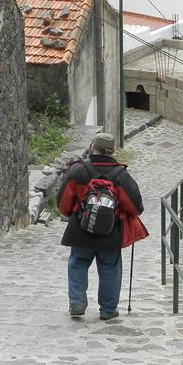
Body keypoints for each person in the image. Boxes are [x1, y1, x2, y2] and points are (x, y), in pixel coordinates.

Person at [57, 132, 148, 320]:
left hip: (81, 228)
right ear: (113, 151)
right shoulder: (120, 175)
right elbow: (135, 206)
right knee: (110, 267)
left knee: (78, 263)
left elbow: (63, 201)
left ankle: (77, 303)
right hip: (110, 231)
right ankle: (107, 310)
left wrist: (70, 214)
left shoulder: (78, 170)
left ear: (93, 148)